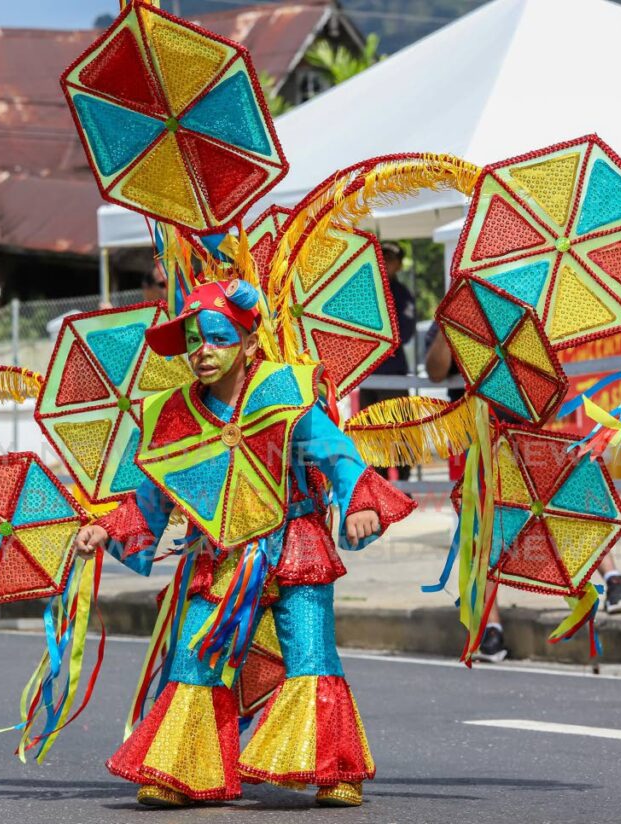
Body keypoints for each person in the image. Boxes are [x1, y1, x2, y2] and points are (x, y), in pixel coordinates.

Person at [74, 278, 415, 808]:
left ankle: (333, 771)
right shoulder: (177, 413)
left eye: (216, 337)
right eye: (193, 340)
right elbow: (157, 493)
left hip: (296, 546)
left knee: (311, 654)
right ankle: (181, 770)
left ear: (250, 343)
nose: (202, 351)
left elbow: (336, 455)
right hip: (218, 556)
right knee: (193, 656)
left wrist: (360, 503)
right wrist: (109, 527)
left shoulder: (283, 392)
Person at [424, 324, 621, 663]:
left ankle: (614, 581)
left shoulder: (519, 317)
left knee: (563, 515)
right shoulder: (448, 323)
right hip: (480, 443)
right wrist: (451, 327)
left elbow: (547, 389)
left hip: (529, 436)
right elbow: (436, 372)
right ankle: (491, 631)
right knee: (483, 534)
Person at [359, 241, 417, 481]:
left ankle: (404, 481)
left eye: (390, 259)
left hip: (393, 370)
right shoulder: (364, 291)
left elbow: (404, 332)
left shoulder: (402, 294)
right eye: (382, 257)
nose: (385, 263)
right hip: (370, 371)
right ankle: (378, 481)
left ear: (399, 264)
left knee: (400, 431)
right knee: (371, 430)